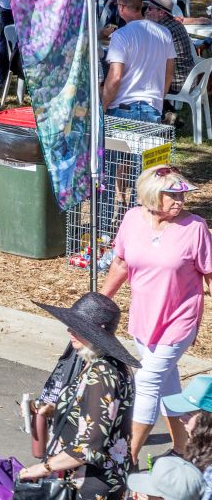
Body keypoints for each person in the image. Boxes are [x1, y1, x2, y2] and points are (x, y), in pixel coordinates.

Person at [100, 165, 212, 460]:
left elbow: (210, 274)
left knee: (147, 382)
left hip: (179, 321)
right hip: (144, 320)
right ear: (152, 195)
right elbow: (122, 264)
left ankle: (127, 458)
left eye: (183, 194)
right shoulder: (132, 219)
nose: (180, 200)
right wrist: (97, 304)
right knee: (166, 385)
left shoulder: (195, 228)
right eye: (172, 195)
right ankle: (185, 447)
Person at [19, 293, 135, 500]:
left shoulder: (102, 374)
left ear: (94, 334)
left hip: (92, 483)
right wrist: (54, 409)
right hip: (100, 477)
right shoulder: (107, 364)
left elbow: (87, 448)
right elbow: (96, 409)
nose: (69, 330)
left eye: (77, 327)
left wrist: (43, 468)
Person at [103, 0, 175, 122]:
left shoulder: (120, 35)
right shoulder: (165, 32)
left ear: (122, 7)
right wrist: (159, 99)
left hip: (122, 109)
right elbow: (169, 72)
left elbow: (115, 77)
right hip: (153, 108)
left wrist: (102, 107)